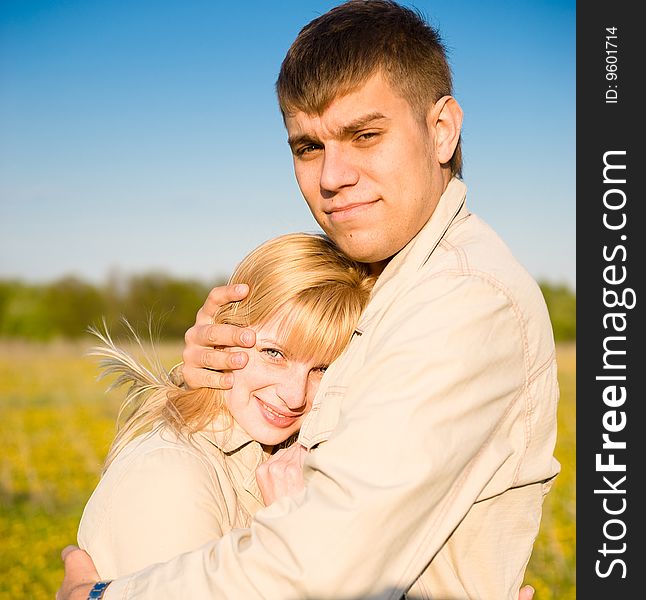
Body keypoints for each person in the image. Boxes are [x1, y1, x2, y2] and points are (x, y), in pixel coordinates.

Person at [58, 1, 559, 598]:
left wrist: (102, 596)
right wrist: (210, 382)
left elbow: (322, 570)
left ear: (442, 129)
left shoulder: (461, 300)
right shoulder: (389, 285)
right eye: (307, 147)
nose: (331, 175)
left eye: (365, 135)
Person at [76, 232, 375, 580]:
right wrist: (294, 531)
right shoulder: (170, 475)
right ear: (221, 336)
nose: (295, 396)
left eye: (322, 369)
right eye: (273, 353)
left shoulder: (306, 456)